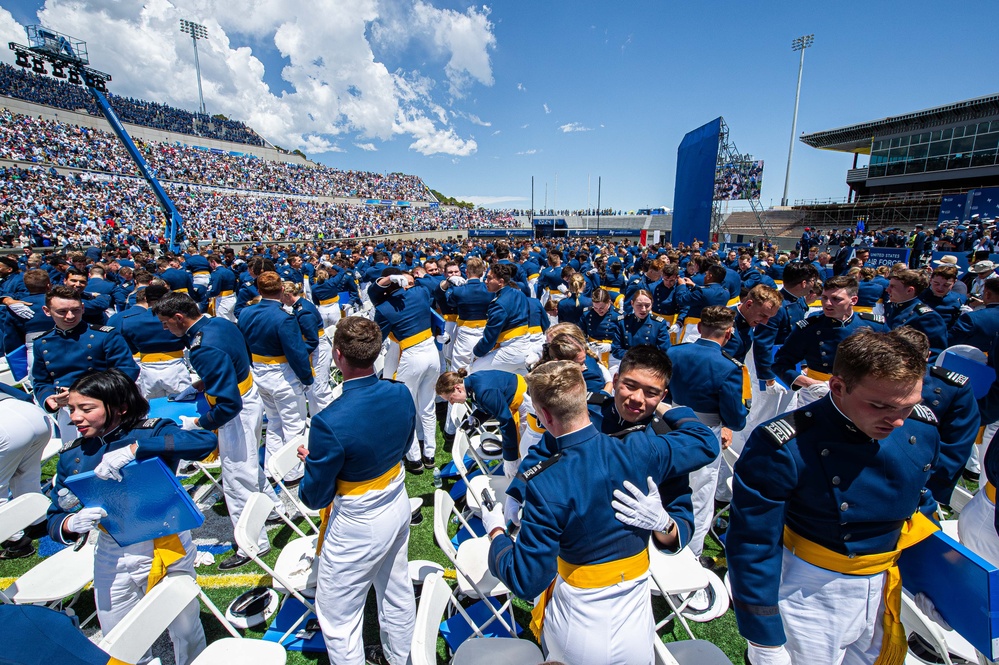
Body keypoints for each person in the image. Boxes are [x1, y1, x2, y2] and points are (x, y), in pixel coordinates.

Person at [728, 329, 941, 665]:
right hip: (811, 591)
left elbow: (919, 509)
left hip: (886, 582)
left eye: (910, 406)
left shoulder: (922, 429)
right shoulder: (785, 446)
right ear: (838, 387)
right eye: (880, 406)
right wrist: (763, 636)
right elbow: (753, 544)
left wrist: (933, 582)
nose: (899, 421)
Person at [46, 370, 216, 665]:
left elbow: (203, 442)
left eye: (87, 409)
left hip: (164, 541)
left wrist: (138, 448)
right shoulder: (72, 455)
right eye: (72, 409)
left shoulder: (149, 431)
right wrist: (69, 523)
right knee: (119, 634)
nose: (75, 417)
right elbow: (54, 515)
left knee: (184, 627)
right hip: (112, 548)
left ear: (120, 406)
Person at [298, 316, 416, 665]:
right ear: (378, 353)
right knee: (395, 589)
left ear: (337, 356)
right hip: (395, 498)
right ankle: (400, 657)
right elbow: (404, 443)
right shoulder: (399, 392)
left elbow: (314, 497)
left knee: (338, 619)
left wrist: (314, 464)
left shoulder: (328, 421)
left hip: (358, 519)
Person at [153, 292, 285, 571]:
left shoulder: (204, 347)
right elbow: (234, 362)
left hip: (236, 411)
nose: (166, 329)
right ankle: (272, 510)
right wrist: (203, 385)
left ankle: (253, 542)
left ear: (179, 318)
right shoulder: (220, 324)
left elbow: (228, 405)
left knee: (237, 478)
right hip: (246, 395)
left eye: (167, 323)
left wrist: (199, 423)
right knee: (248, 467)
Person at [665, 306, 747, 561]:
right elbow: (735, 418)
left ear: (699, 328)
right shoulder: (729, 367)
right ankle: (691, 555)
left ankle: (662, 546)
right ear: (729, 334)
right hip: (704, 432)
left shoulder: (674, 352)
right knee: (700, 495)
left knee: (668, 487)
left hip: (670, 424)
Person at [32, 285, 139, 438]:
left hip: (105, 404)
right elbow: (41, 381)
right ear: (47, 311)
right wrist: (50, 399)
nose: (70, 316)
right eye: (62, 312)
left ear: (83, 308)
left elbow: (127, 370)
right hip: (67, 409)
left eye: (75, 310)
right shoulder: (42, 343)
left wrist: (84, 393)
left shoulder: (105, 336)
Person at [237, 271, 313, 482]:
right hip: (282, 375)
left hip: (259, 372)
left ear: (259, 291)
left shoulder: (245, 313)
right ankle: (294, 472)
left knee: (274, 423)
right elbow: (296, 354)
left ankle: (273, 469)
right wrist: (307, 378)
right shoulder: (284, 317)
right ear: (281, 290)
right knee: (293, 425)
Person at [773, 276, 887, 407]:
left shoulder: (873, 326)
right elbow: (780, 363)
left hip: (860, 393)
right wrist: (809, 383)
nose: (827, 303)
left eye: (836, 299)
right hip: (816, 393)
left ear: (853, 300)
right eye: (825, 298)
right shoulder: (809, 328)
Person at [369, 268, 439, 472]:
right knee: (427, 406)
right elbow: (431, 286)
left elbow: (378, 339)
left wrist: (388, 280)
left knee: (405, 407)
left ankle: (414, 458)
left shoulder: (384, 308)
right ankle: (430, 453)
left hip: (410, 356)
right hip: (431, 351)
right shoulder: (420, 293)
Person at [436, 368, 535, 468]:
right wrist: (474, 418)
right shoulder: (472, 383)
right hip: (522, 396)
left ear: (458, 388)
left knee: (527, 449)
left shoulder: (483, 391)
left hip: (526, 404)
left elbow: (507, 423)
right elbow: (488, 405)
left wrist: (510, 459)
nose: (451, 403)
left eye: (451, 398)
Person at [109, 283, 192, 400]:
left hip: (147, 369)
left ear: (146, 299)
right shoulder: (176, 319)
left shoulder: (129, 321)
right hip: (175, 365)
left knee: (153, 405)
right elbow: (188, 341)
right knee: (183, 402)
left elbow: (132, 348)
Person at [0, 384, 51, 559]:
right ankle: (38, 522)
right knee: (26, 476)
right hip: (32, 413)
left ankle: (15, 541)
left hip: (5, 426)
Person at [470, 262, 532, 374]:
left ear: (501, 282)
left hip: (511, 350)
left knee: (474, 370)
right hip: (525, 346)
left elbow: (490, 339)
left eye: (489, 278)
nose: (485, 281)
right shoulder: (519, 294)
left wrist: (476, 352)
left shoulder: (499, 304)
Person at [885, 269, 948, 359]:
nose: (888, 290)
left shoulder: (927, 317)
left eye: (893, 287)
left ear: (910, 290)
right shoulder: (891, 306)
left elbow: (935, 353)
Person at [610, 289, 671, 361]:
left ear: (652, 304)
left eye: (647, 305)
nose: (643, 309)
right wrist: (635, 357)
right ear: (632, 303)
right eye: (639, 305)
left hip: (650, 364)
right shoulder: (622, 322)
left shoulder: (658, 324)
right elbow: (616, 350)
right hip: (629, 363)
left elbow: (664, 349)